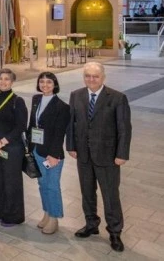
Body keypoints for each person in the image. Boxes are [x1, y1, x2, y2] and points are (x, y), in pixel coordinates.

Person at [67, 62, 131, 252]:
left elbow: (124, 129)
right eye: (87, 76)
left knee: (110, 195)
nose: (91, 79)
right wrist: (71, 146)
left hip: (108, 156)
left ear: (103, 77)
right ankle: (91, 224)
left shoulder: (117, 98)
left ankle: (115, 231)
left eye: (95, 76)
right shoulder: (76, 95)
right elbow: (71, 123)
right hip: (83, 155)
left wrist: (122, 154)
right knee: (87, 192)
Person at [27, 72, 71, 235]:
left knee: (52, 186)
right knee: (42, 184)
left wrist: (54, 155)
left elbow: (60, 133)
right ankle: (46, 212)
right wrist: (28, 146)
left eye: (49, 82)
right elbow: (32, 124)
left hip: (51, 154)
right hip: (36, 149)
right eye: (42, 82)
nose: (45, 85)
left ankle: (54, 217)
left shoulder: (62, 107)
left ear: (55, 85)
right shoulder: (36, 99)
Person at [0, 68, 28, 227]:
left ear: (12, 82)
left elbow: (21, 126)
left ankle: (12, 216)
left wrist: (2, 142)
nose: (3, 82)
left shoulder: (17, 101)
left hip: (11, 147)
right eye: (0, 79)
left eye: (7, 79)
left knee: (11, 181)